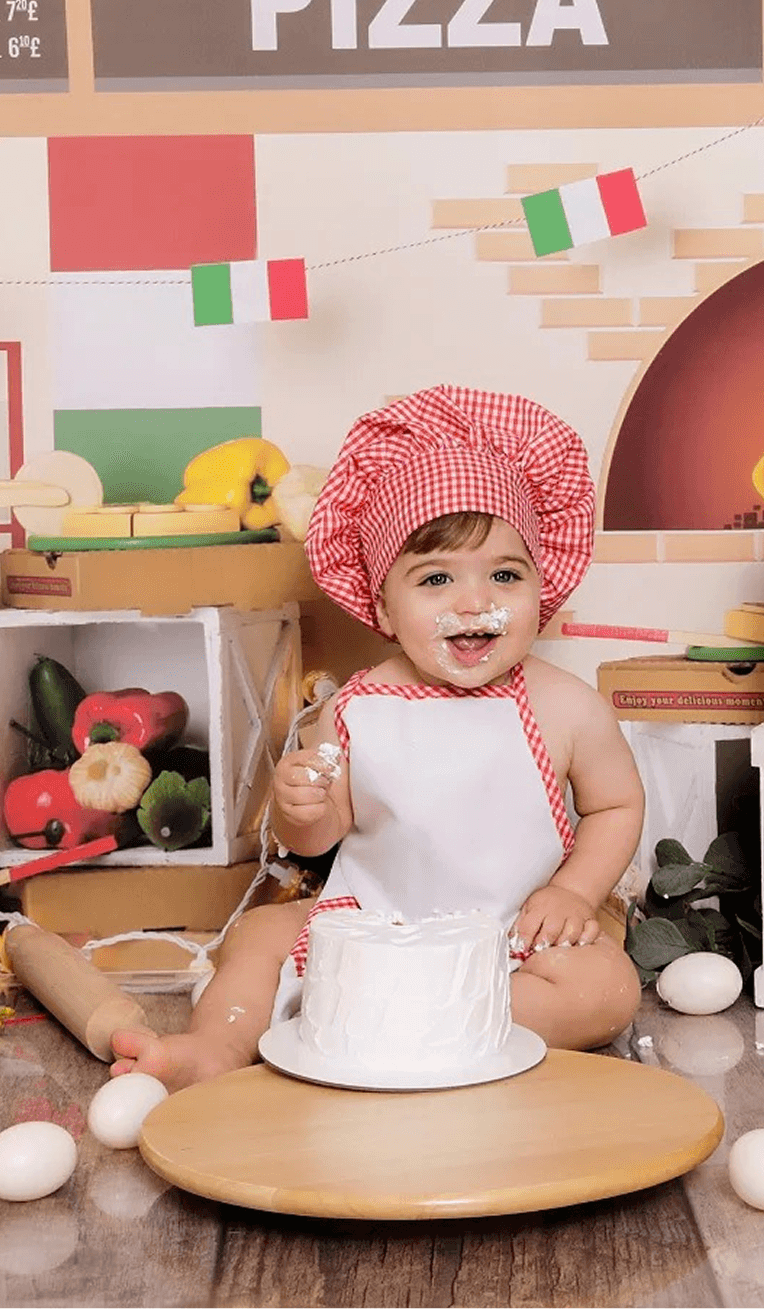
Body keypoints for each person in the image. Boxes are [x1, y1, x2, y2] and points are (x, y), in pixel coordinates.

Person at [111, 385, 645, 1089]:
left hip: (507, 931)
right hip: (372, 927)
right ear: (383, 604)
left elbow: (615, 807)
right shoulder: (355, 708)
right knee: (258, 938)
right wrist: (301, 813)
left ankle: (414, 1021)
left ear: (540, 587)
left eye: (506, 575)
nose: (474, 602)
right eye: (436, 579)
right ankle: (213, 1047)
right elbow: (322, 840)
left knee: (605, 991)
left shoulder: (565, 707)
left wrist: (575, 893)